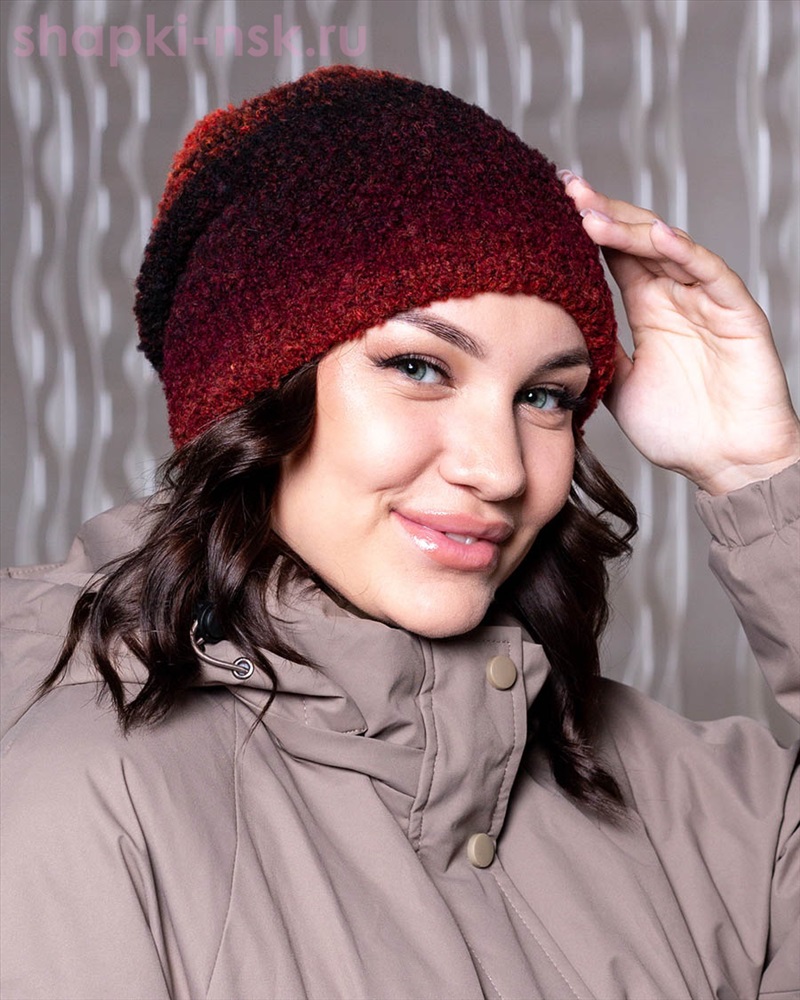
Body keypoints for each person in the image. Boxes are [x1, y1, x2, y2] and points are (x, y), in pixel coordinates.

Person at [1, 64, 797, 1000]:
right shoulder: (83, 798)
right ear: (254, 397)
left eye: (545, 396)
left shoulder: (697, 806)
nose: (500, 470)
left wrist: (758, 474)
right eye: (420, 367)